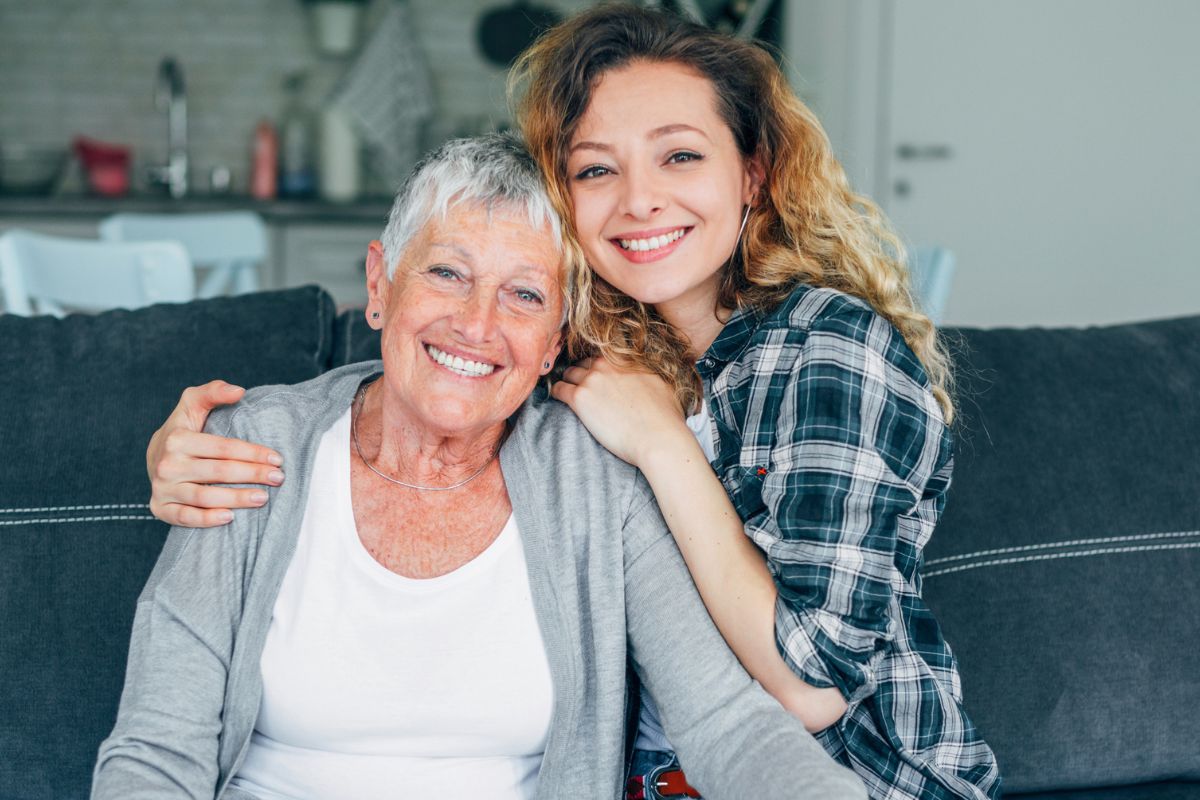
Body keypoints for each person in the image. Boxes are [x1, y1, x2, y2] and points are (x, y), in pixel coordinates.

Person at [144, 5, 1001, 799]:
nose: (639, 199)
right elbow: (428, 351)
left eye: (681, 155)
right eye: (597, 168)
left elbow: (803, 694)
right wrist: (204, 440)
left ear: (753, 173)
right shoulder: (590, 359)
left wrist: (664, 446)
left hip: (865, 776)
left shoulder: (826, 351)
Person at [94, 135, 864, 800]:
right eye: (447, 273)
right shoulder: (249, 449)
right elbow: (157, 751)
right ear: (379, 285)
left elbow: (725, 721)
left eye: (524, 294)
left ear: (556, 340)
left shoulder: (595, 481)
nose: (477, 324)